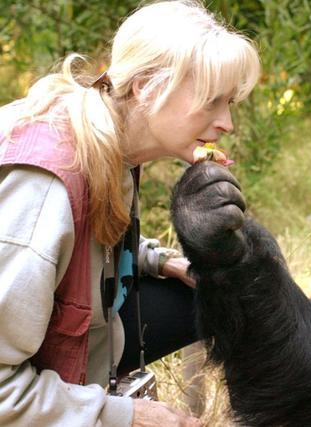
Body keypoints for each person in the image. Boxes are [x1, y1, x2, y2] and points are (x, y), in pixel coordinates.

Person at [0, 0, 260, 426]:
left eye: (229, 102)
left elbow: (80, 247)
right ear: (145, 85)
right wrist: (123, 415)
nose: (227, 122)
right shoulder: (44, 187)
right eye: (213, 101)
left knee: (218, 291)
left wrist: (158, 260)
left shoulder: (109, 140)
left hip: (73, 342)